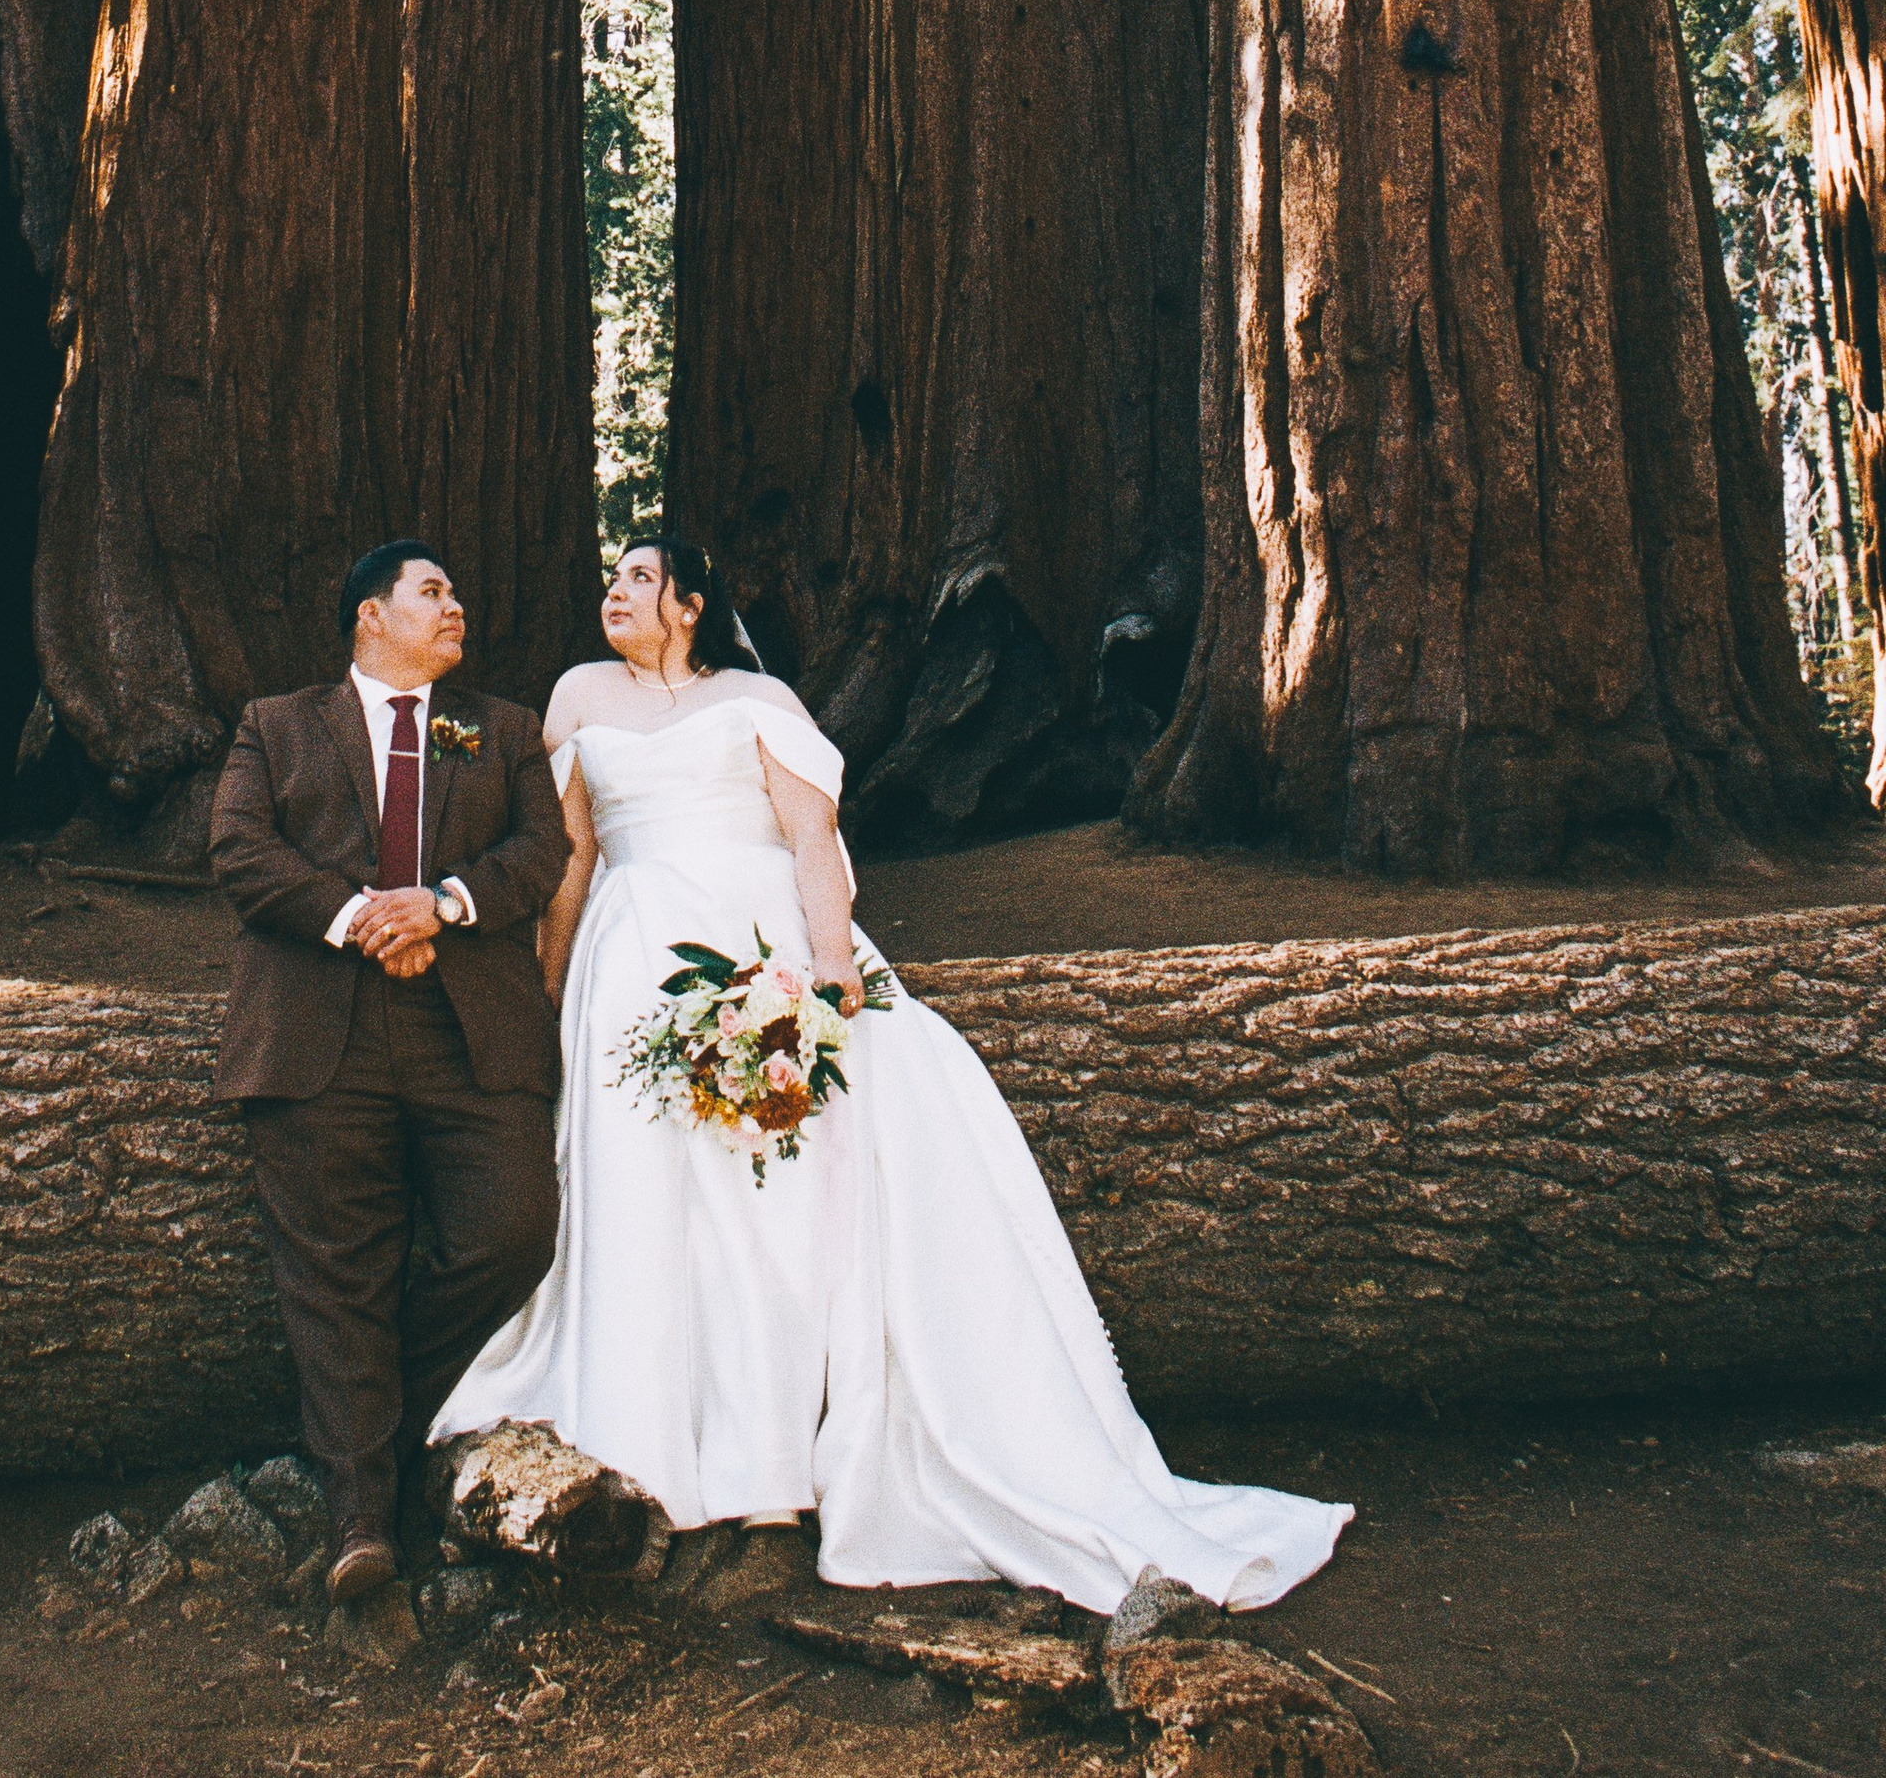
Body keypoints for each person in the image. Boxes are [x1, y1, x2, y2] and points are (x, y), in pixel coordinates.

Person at [434, 535, 1352, 1607]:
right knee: (640, 1200)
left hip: (754, 952)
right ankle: (646, 1442)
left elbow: (810, 837)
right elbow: (574, 853)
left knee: (764, 1207)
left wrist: (827, 984)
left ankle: (767, 1473)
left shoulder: (759, 698)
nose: (615, 594)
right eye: (611, 580)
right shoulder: (579, 695)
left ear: (689, 604)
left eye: (638, 579)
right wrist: (549, 992)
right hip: (629, 965)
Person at [210, 540, 571, 1607]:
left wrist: (444, 905)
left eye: (456, 591)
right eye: (432, 591)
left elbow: (540, 850)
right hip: (319, 1032)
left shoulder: (498, 729)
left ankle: (371, 1420)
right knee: (336, 1275)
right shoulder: (275, 726)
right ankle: (361, 1520)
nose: (456, 605)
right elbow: (239, 851)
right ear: (369, 615)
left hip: (471, 1034)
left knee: (514, 1231)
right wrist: (365, 918)